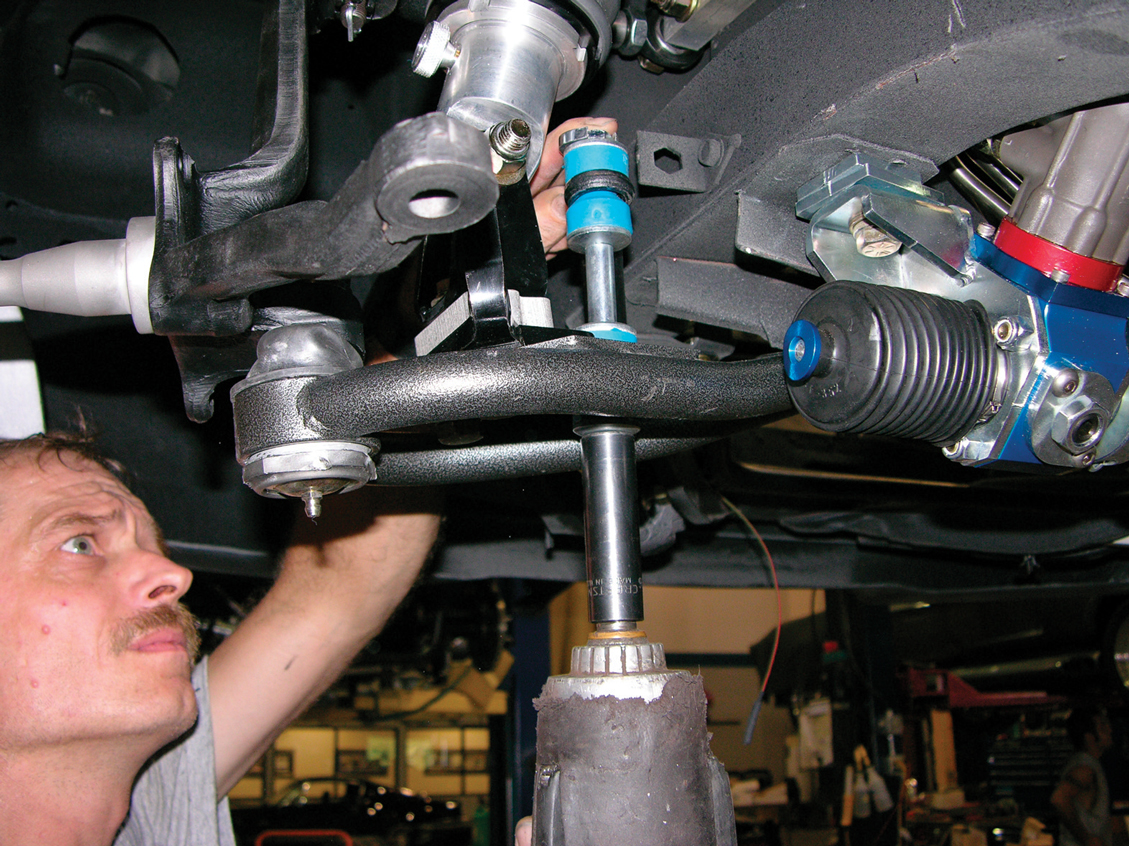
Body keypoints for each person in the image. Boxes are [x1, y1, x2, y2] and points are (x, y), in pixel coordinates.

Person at [0, 116, 614, 846]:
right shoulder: (158, 801)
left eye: (149, 542)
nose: (173, 574)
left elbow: (335, 591)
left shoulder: (155, 803)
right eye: (77, 543)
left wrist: (458, 271)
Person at [1051, 707, 1126, 846]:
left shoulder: (1091, 765)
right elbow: (1059, 799)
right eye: (1102, 727)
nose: (1110, 730)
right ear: (1089, 737)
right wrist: (1086, 838)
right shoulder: (1085, 768)